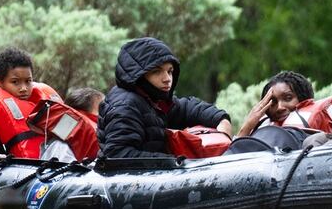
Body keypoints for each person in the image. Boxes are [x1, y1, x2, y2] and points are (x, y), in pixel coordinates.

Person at [97, 37, 232, 159]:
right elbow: (118, 155)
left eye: (170, 71)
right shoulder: (125, 105)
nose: (167, 79)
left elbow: (185, 108)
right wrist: (173, 161)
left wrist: (220, 119)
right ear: (138, 75)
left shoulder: (152, 99)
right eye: (156, 71)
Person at [0, 48, 62, 158]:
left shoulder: (44, 112)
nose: (23, 88)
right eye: (15, 82)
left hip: (55, 168)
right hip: (22, 170)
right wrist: (3, 159)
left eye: (28, 81)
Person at [229, 71, 332, 153]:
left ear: (305, 100)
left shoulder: (319, 138)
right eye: (273, 102)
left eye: (288, 98)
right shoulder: (260, 129)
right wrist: (247, 127)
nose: (279, 107)